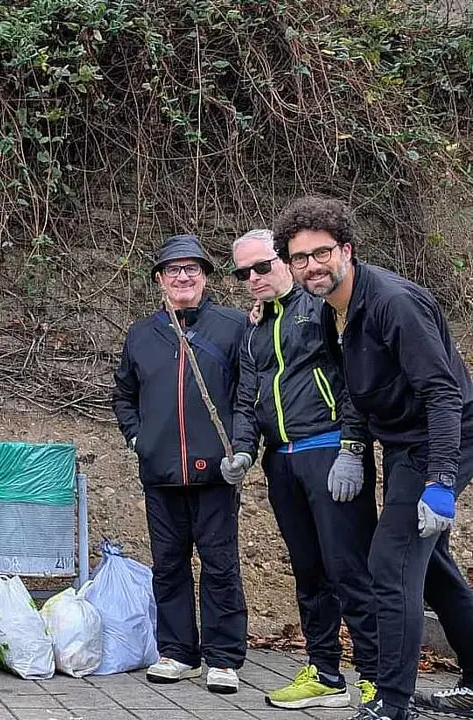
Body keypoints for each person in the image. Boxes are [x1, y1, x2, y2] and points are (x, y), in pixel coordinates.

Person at [276, 196, 473, 720]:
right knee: (430, 569)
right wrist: (353, 445)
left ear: (347, 250)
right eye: (300, 258)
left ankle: (390, 701)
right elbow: (354, 388)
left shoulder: (392, 303)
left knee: (389, 564)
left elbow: (444, 393)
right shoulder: (325, 312)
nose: (312, 265)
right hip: (400, 438)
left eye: (322, 253)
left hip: (439, 436)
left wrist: (441, 481)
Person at [226, 229, 379, 709]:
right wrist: (244, 451)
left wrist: (353, 447)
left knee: (349, 570)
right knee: (309, 571)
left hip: (330, 453)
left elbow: (353, 379)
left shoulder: (323, 308)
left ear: (285, 262)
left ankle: (378, 679)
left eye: (263, 266)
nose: (254, 278)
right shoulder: (252, 329)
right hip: (282, 461)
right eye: (243, 272)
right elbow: (245, 400)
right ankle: (326, 673)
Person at [111, 234, 249, 694]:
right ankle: (177, 652)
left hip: (216, 474)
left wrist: (243, 449)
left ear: (206, 277)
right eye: (173, 270)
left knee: (220, 564)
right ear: (160, 280)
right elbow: (123, 394)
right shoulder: (141, 334)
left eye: (192, 269)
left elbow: (247, 396)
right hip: (161, 474)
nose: (183, 277)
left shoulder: (233, 327)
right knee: (168, 566)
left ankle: (224, 658)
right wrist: (138, 438)